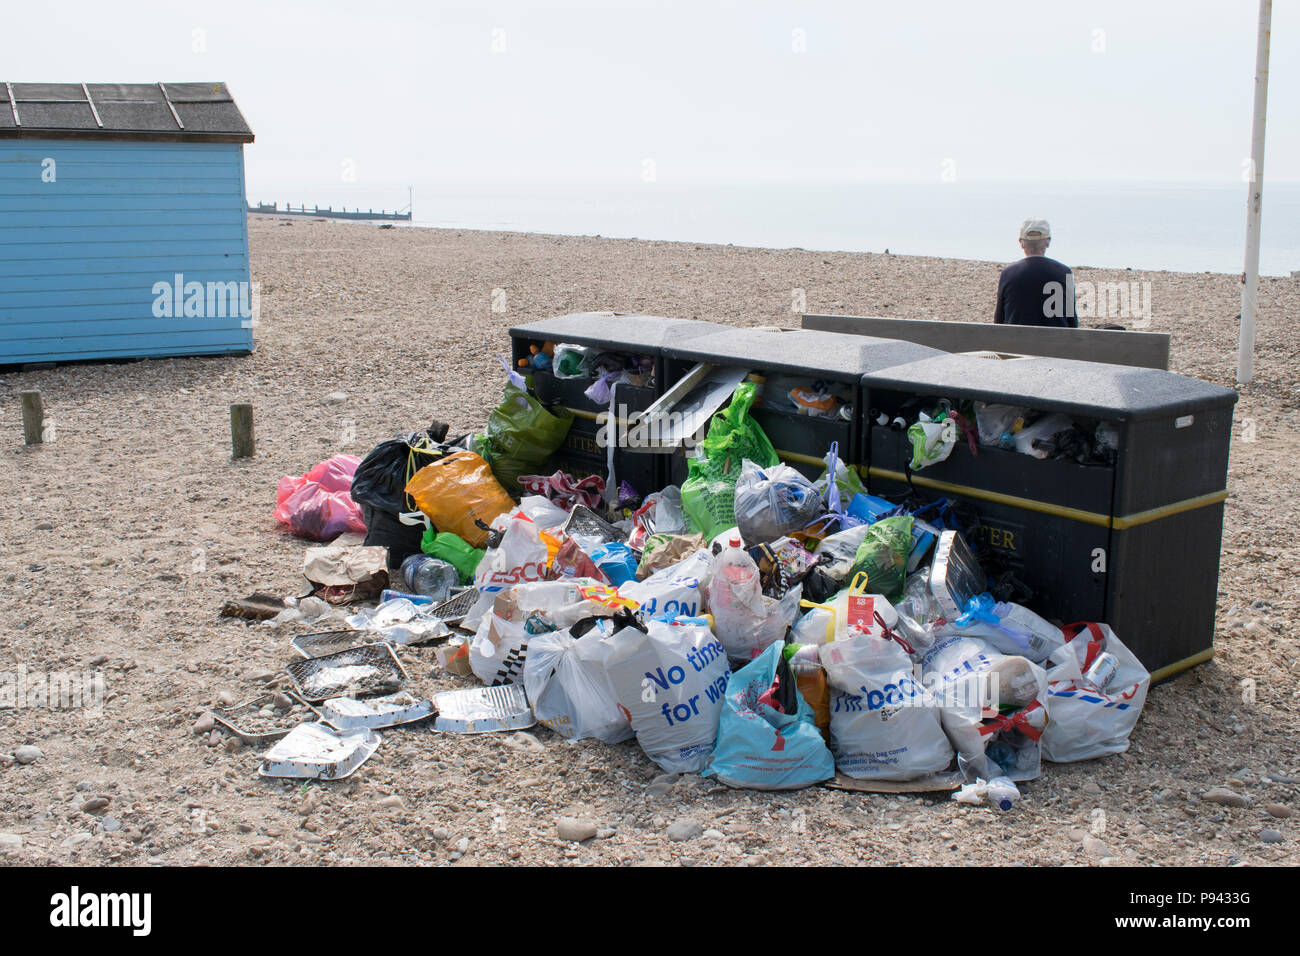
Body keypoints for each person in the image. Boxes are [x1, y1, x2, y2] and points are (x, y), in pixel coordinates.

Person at [993, 219, 1077, 327]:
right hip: (1055, 342)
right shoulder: (1065, 272)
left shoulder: (1008, 274)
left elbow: (999, 320)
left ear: (1021, 243)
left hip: (1016, 342)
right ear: (1047, 242)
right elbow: (1072, 321)